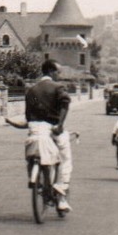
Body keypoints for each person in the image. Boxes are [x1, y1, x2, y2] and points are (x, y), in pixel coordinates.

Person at [19, 57, 74, 212]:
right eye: (58, 72)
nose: (59, 75)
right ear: (51, 71)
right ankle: (62, 195)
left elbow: (28, 114)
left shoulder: (32, 89)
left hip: (35, 128)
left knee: (32, 152)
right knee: (65, 157)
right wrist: (60, 125)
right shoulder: (57, 87)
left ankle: (39, 182)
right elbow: (65, 104)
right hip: (52, 129)